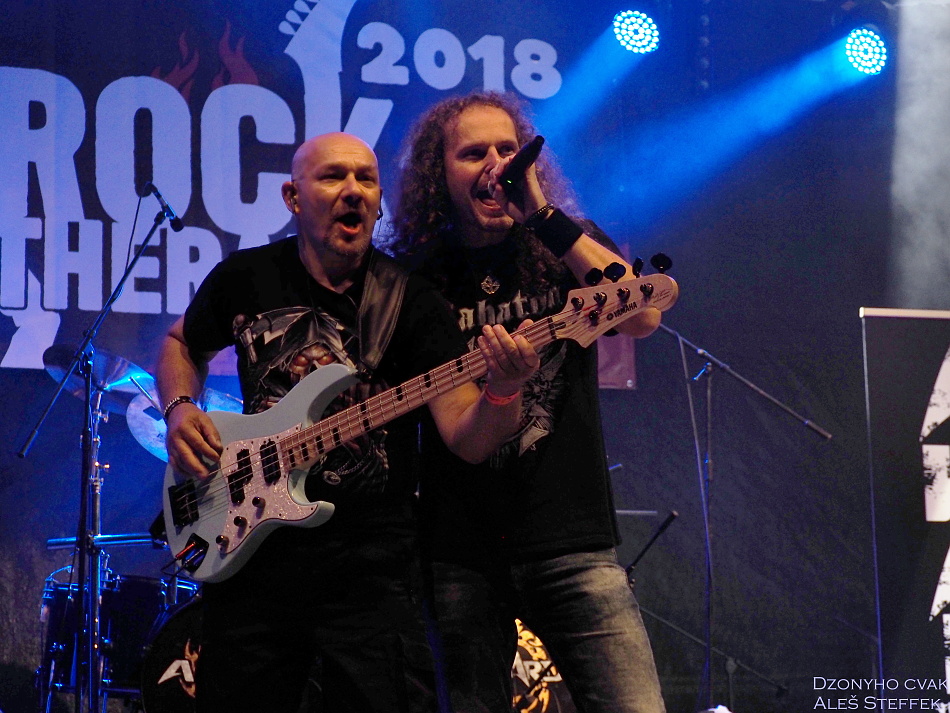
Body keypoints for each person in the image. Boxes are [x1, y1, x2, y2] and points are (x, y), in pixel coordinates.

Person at [155, 131, 539, 713]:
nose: (353, 190)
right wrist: (180, 407)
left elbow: (467, 438)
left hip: (371, 570)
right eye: (333, 176)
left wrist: (505, 390)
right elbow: (181, 342)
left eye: (366, 179)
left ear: (379, 201)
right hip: (252, 558)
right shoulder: (245, 277)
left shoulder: (412, 300)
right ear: (293, 197)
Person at [388, 92, 667, 713]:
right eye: (473, 153)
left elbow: (643, 315)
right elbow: (460, 431)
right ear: (439, 172)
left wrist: (543, 215)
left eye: (507, 149)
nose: (496, 164)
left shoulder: (566, 243)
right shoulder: (418, 276)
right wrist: (502, 387)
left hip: (572, 540)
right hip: (461, 550)